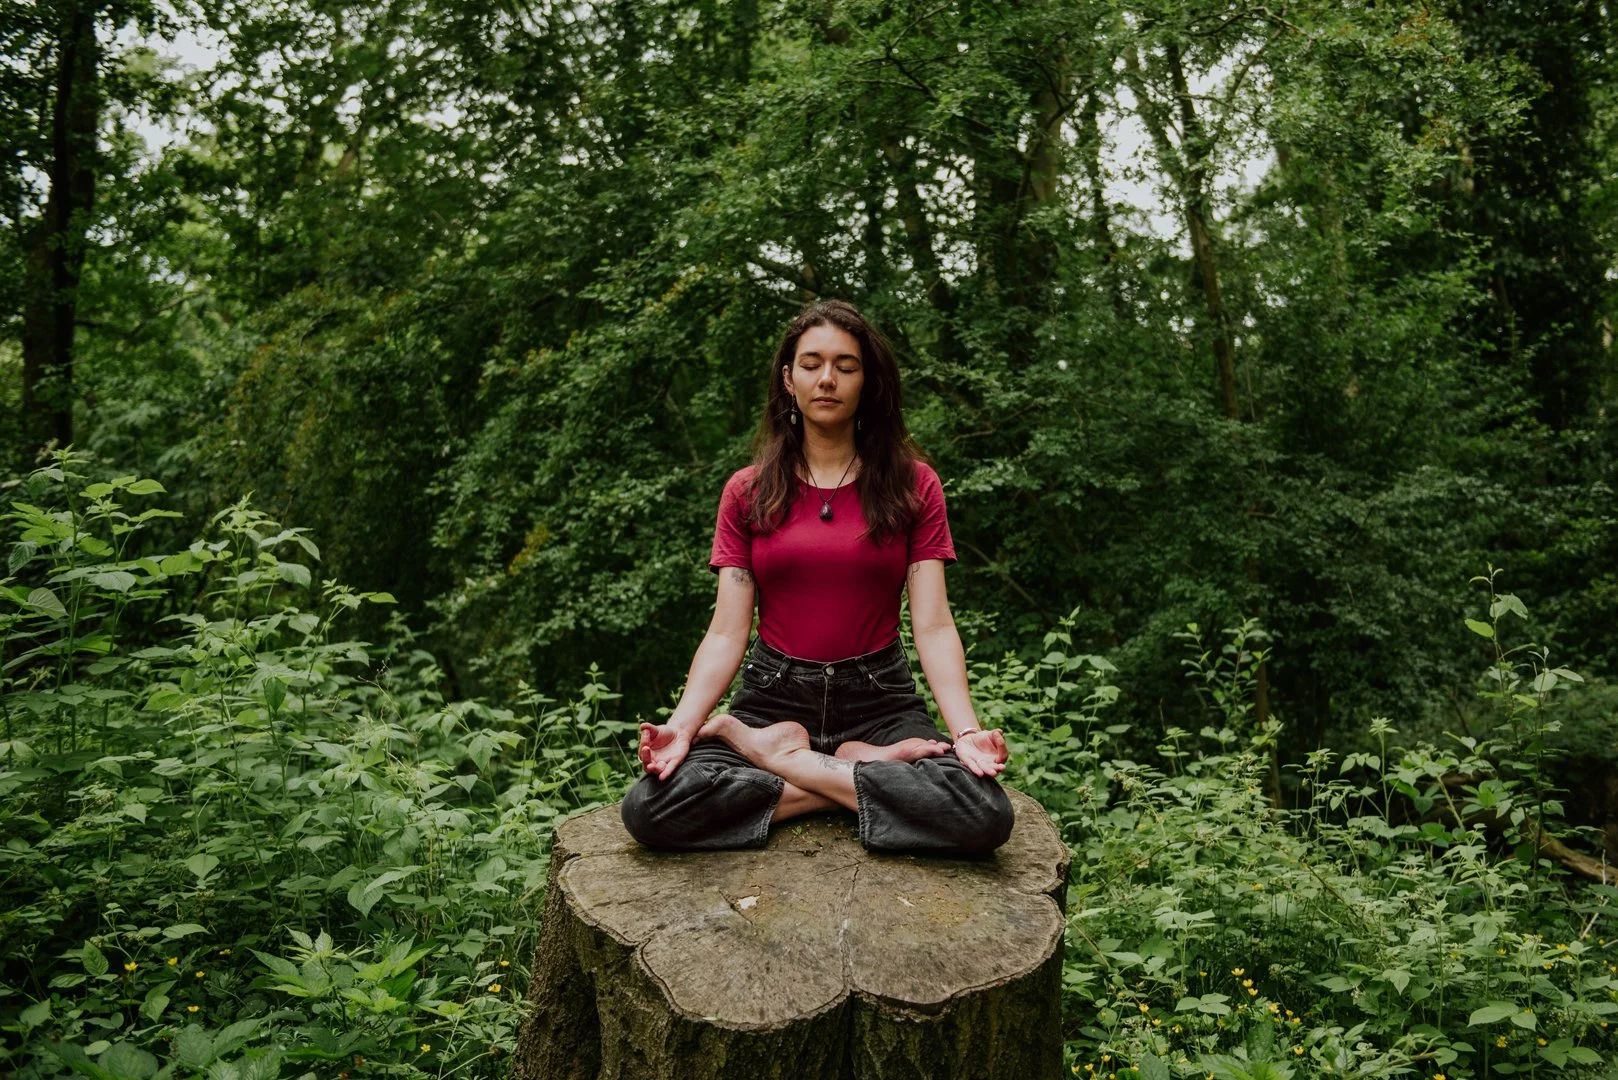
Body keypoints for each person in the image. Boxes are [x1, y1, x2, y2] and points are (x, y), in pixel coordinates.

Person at [619, 299, 1014, 855]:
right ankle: (848, 773)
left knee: (983, 813)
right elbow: (728, 632)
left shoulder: (914, 486)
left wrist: (966, 734)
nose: (827, 379)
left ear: (867, 381)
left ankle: (794, 764)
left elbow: (933, 626)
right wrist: (683, 727)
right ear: (788, 379)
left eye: (846, 366)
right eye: (811, 364)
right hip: (771, 699)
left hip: (880, 701)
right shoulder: (747, 491)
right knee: (650, 807)